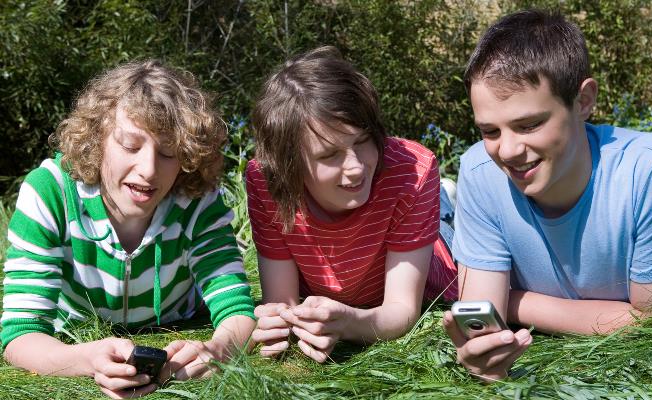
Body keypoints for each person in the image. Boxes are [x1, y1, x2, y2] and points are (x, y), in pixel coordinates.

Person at [443, 9, 652, 381]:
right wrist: (482, 359)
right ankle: (442, 203)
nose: (508, 151)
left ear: (583, 101)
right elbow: (483, 319)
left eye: (528, 124)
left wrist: (517, 301)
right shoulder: (481, 171)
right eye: (490, 132)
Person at [1, 60, 256, 398]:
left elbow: (238, 312)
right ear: (97, 139)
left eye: (168, 152)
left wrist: (217, 349)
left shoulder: (199, 201)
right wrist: (83, 359)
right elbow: (21, 333)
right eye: (130, 146)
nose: (149, 170)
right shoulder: (49, 193)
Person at [246, 46, 458, 363]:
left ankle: (444, 204)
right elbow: (283, 303)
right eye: (329, 155)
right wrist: (280, 323)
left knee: (450, 236)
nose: (356, 166)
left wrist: (350, 323)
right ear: (289, 165)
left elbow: (402, 310)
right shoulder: (266, 180)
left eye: (362, 141)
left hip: (434, 256)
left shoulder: (413, 169)